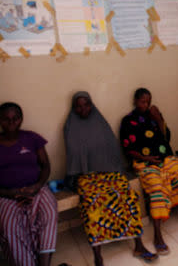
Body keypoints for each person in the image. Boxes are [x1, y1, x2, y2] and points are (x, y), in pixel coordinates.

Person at [64, 92, 157, 266]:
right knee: (93, 202)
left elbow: (111, 148)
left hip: (108, 171)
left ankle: (139, 245)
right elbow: (74, 155)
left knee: (128, 196)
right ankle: (98, 256)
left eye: (86, 104)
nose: (83, 108)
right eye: (79, 105)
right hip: (85, 175)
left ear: (92, 104)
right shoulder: (70, 126)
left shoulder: (99, 122)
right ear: (74, 108)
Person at [120, 88, 178, 255]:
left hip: (166, 158)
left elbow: (166, 138)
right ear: (135, 101)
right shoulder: (128, 121)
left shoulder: (153, 117)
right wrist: (148, 160)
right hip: (144, 163)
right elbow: (127, 149)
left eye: (148, 101)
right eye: (143, 102)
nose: (146, 105)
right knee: (156, 187)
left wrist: (159, 118)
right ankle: (157, 236)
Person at [0, 102, 58, 266]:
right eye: (6, 119)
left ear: (21, 119)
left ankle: (44, 262)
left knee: (49, 212)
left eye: (15, 119)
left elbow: (45, 165)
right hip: (7, 195)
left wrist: (37, 186)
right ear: (0, 120)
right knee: (9, 227)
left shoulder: (31, 137)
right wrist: (9, 192)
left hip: (36, 189)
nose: (11, 123)